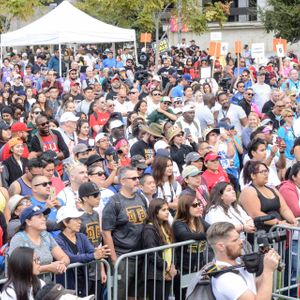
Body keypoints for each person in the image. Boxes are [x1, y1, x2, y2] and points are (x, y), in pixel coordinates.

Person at [102, 166, 147, 300]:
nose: (137, 181)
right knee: (120, 295)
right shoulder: (114, 202)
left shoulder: (141, 197)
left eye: (138, 178)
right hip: (123, 256)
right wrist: (114, 259)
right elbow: (106, 233)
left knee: (137, 294)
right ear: (122, 181)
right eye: (133, 178)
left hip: (141, 254)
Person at [207, 222, 281, 299]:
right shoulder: (226, 278)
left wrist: (268, 265)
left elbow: (251, 286)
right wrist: (268, 271)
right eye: (235, 240)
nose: (241, 242)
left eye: (239, 238)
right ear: (221, 246)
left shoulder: (235, 265)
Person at [55, 206, 111, 297]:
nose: (80, 221)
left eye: (79, 219)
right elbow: (70, 258)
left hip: (83, 283)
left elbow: (91, 251)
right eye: (75, 219)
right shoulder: (57, 240)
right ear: (65, 222)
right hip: (67, 285)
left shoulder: (81, 236)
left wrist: (97, 253)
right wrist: (93, 255)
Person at [8, 205, 69, 277]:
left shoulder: (46, 235)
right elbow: (18, 267)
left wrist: (61, 264)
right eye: (39, 217)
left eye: (43, 216)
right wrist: (49, 268)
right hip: (25, 285)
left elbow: (64, 257)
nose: (44, 219)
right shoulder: (18, 239)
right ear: (28, 222)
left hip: (46, 285)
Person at [239, 160, 297, 229]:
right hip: (262, 232)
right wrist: (278, 222)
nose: (266, 174)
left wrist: (293, 221)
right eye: (262, 172)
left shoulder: (273, 189)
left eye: (266, 171)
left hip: (280, 228)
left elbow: (284, 209)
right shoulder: (248, 191)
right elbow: (255, 214)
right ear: (253, 175)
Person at [172, 193, 209, 300]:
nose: (199, 207)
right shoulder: (178, 224)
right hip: (183, 270)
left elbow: (212, 229)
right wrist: (206, 235)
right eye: (194, 205)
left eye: (199, 204)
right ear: (185, 208)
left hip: (198, 269)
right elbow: (186, 236)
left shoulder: (199, 221)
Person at [142, 199, 176, 300]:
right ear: (155, 212)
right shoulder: (149, 229)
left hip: (168, 272)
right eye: (163, 210)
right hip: (155, 274)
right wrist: (167, 268)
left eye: (168, 209)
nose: (167, 212)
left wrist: (172, 268)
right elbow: (152, 253)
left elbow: (173, 249)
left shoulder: (166, 226)